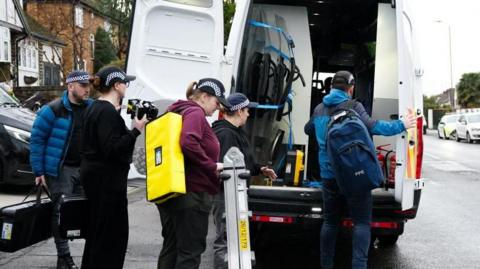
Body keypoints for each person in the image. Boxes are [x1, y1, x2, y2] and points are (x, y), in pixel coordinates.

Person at [304, 70, 416, 269]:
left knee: (330, 223)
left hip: (329, 176)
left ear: (331, 87)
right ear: (351, 87)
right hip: (356, 175)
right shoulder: (354, 106)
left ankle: (326, 264)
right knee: (361, 223)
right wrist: (402, 125)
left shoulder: (319, 109)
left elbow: (308, 130)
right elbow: (374, 126)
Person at [156, 78, 230, 269]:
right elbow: (188, 141)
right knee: (190, 252)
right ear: (204, 97)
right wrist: (211, 166)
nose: (218, 108)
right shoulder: (195, 113)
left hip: (171, 190)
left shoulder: (176, 110)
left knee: (171, 249)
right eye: (217, 102)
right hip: (193, 194)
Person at [80, 66, 147, 269]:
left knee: (96, 235)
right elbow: (113, 149)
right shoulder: (106, 111)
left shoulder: (94, 107)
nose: (127, 86)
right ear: (116, 85)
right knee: (111, 238)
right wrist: (136, 131)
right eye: (125, 82)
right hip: (107, 184)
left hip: (96, 179)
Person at [30, 71, 93, 269]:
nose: (87, 89)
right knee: (60, 213)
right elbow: (37, 140)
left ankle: (89, 257)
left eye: (88, 85)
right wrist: (39, 172)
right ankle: (63, 257)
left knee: (86, 212)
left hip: (85, 169)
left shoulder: (92, 108)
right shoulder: (53, 110)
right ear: (70, 86)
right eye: (83, 85)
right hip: (61, 170)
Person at [212, 93, 277, 269]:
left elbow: (241, 160)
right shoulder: (226, 134)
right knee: (226, 241)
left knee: (234, 240)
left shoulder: (235, 132)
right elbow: (227, 168)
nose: (249, 114)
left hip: (234, 194)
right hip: (227, 196)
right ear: (239, 111)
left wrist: (259, 169)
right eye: (247, 110)